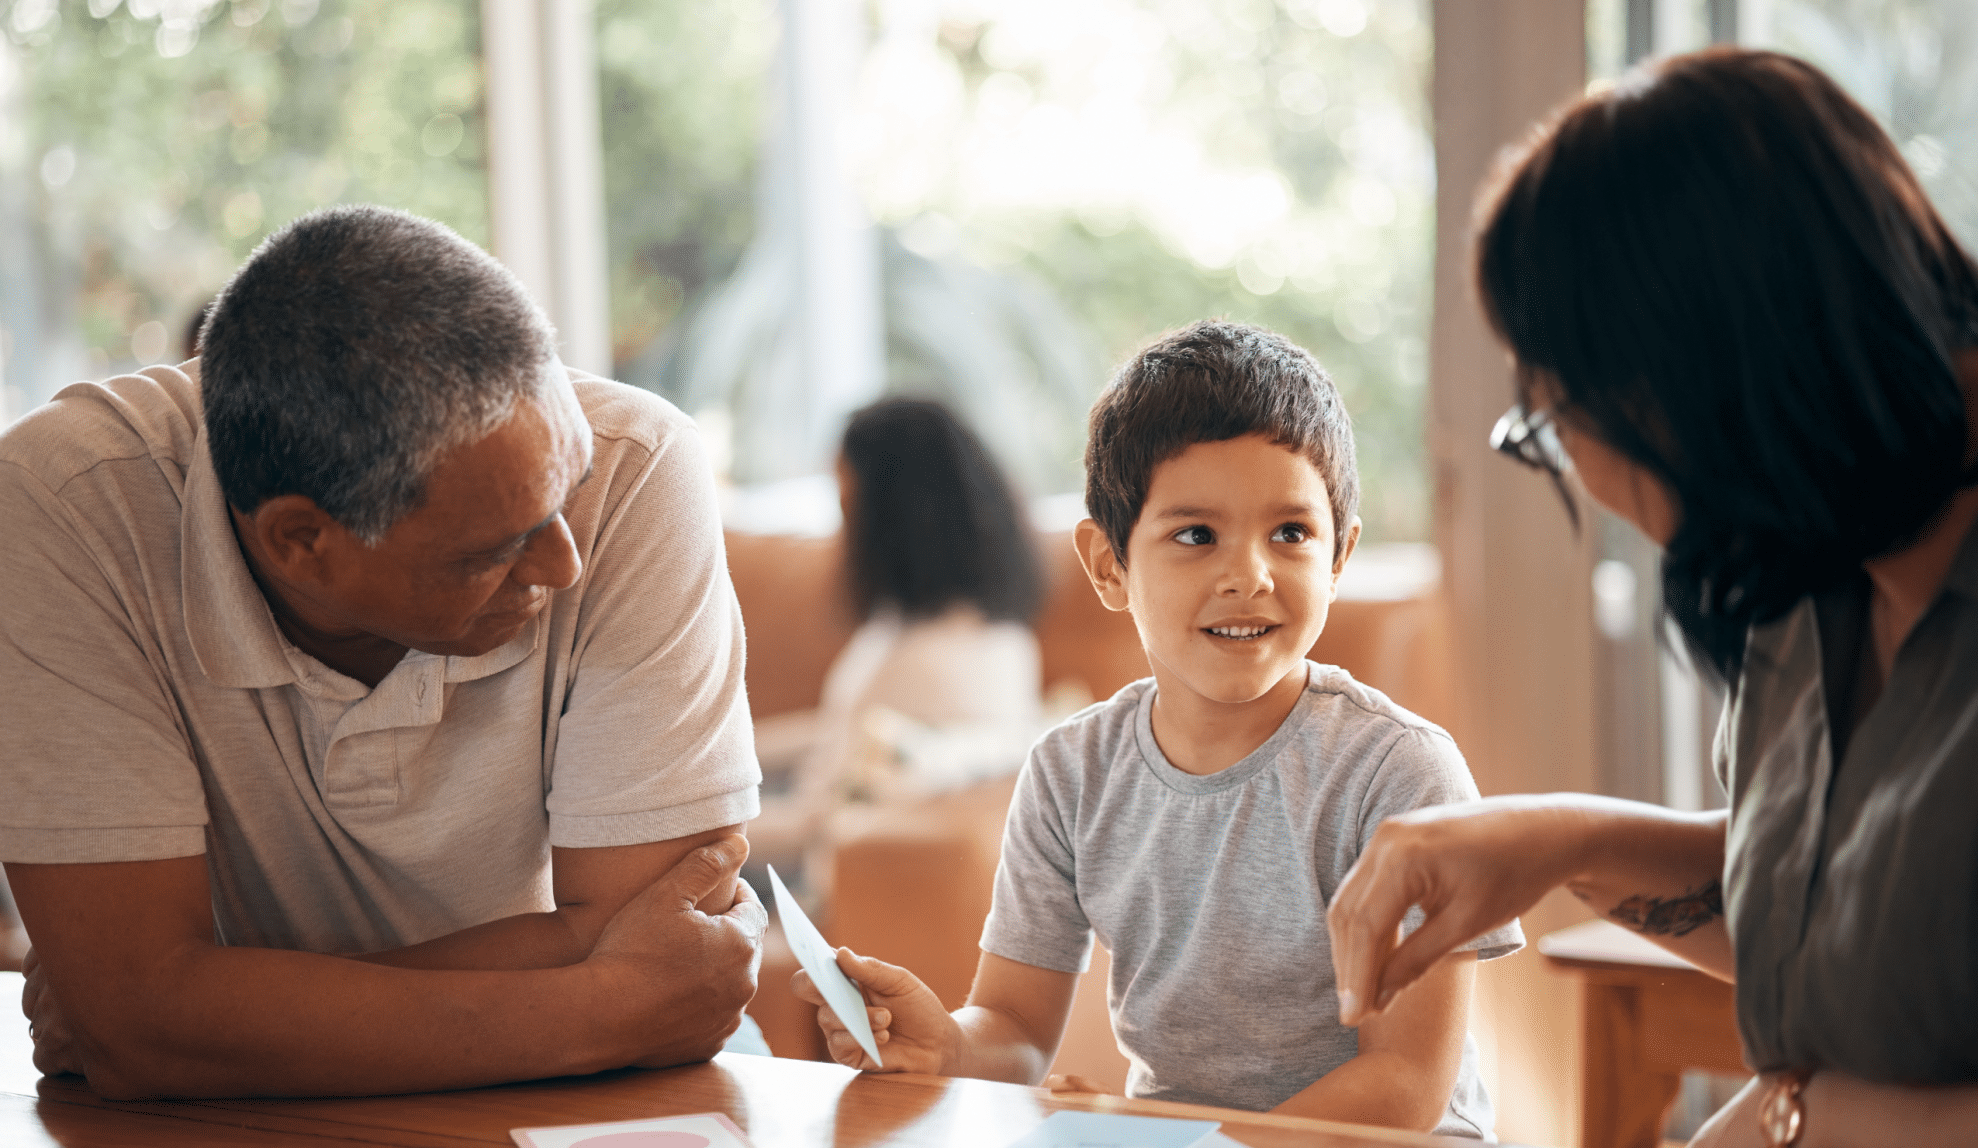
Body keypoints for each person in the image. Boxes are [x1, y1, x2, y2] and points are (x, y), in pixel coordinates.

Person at [1323, 49, 1978, 1147]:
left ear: (1695, 384)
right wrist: (1558, 841)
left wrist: (1791, 1117)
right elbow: (1879, 915)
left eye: (1558, 421)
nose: (1583, 473)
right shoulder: (1811, 546)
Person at [0, 205, 766, 1100]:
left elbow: (671, 950)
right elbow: (139, 1025)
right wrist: (603, 1007)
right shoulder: (63, 507)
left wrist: (211, 1008)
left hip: (589, 1095)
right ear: (300, 541)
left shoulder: (638, 466)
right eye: (493, 549)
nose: (566, 563)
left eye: (570, 493)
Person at [795, 321, 1523, 1137]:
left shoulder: (1401, 772)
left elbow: (1404, 1084)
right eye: (1195, 536)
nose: (1248, 575)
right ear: (1109, 565)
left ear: (1340, 555)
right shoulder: (1071, 771)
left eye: (1290, 533)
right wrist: (946, 1047)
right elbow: (1012, 1028)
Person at [748, 397, 1044, 893]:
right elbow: (850, 729)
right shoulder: (999, 637)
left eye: (846, 505)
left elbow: (812, 824)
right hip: (818, 815)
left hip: (814, 873)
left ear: (890, 516)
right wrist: (723, 754)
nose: (841, 529)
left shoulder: (919, 664)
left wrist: (681, 833)